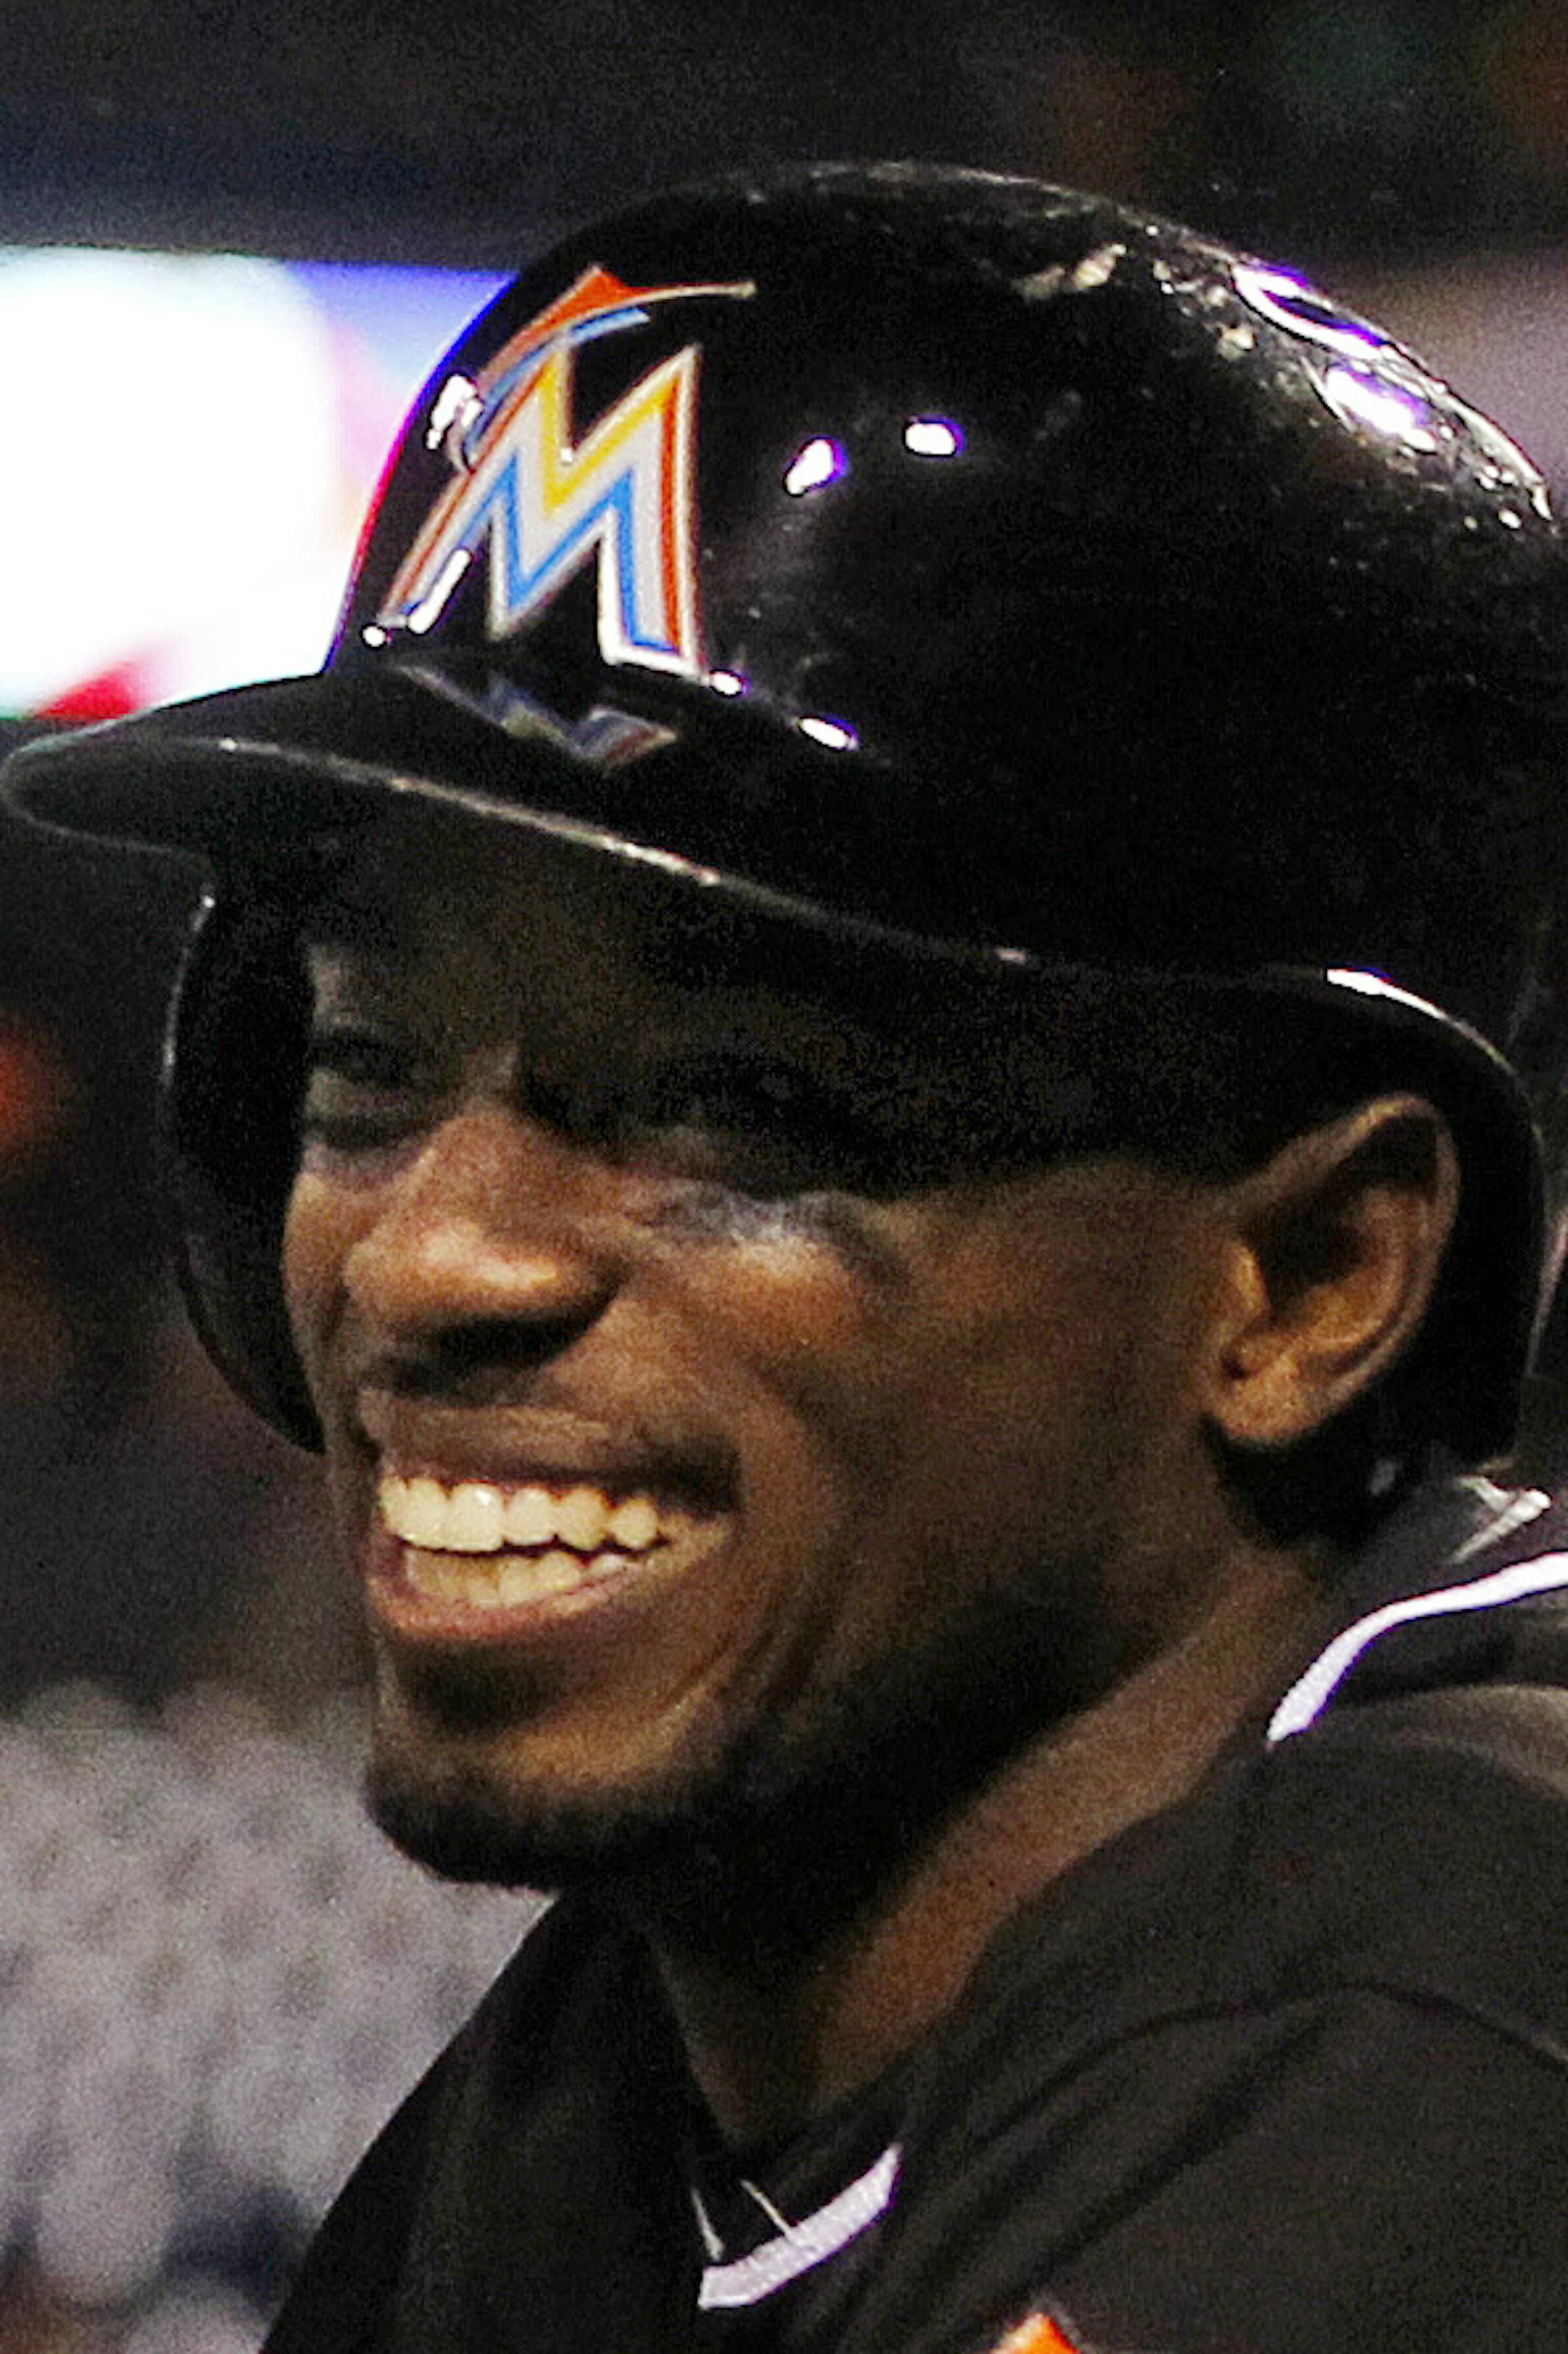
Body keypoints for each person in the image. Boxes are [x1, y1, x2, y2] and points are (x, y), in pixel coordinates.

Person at [7, 161, 1568, 2352]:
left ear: (1309, 1279)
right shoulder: (649, 2052)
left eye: (738, 1103)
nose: (442, 1252)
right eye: (367, 1070)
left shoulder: (1455, 1998)